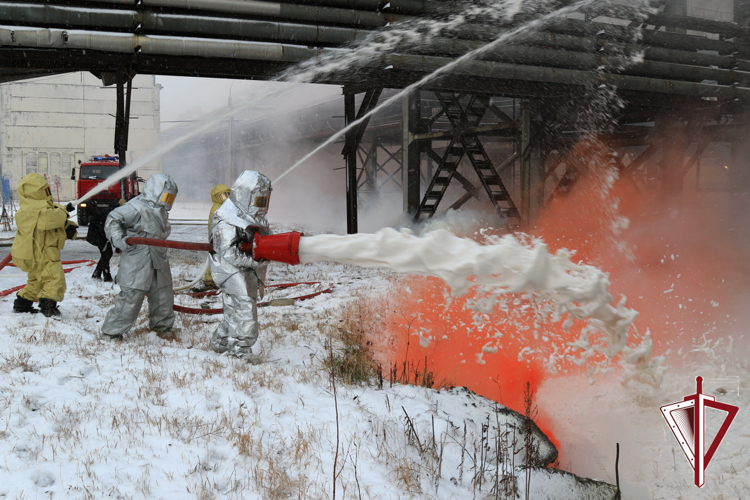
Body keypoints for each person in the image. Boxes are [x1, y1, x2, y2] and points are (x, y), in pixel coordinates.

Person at [100, 174, 178, 341]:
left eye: (171, 197)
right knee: (131, 298)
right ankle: (111, 333)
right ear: (156, 191)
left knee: (163, 296)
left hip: (158, 257)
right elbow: (113, 220)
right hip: (137, 259)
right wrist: (121, 240)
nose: (168, 200)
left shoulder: (160, 210)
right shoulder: (136, 207)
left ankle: (162, 329)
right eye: (166, 195)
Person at [209, 171, 271, 363]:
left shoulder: (256, 217)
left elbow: (262, 246)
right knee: (245, 305)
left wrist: (260, 272)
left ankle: (220, 342)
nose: (260, 206)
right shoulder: (226, 217)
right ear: (246, 195)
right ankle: (241, 349)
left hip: (245, 268)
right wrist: (254, 263)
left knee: (233, 309)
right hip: (228, 269)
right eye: (257, 200)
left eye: (263, 201)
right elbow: (227, 252)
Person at [11, 173, 77, 317]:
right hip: (44, 253)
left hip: (37, 253)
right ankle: (48, 307)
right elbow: (52, 218)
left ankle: (22, 304)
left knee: (36, 280)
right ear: (37, 191)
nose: (48, 192)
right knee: (54, 279)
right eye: (44, 190)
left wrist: (67, 226)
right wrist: (65, 211)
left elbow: (54, 219)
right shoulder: (34, 211)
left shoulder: (39, 209)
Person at [204, 184, 230, 288]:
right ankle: (210, 279)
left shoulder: (225, 208)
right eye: (223, 196)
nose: (226, 198)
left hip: (223, 237)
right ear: (216, 197)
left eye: (228, 195)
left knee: (222, 258)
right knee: (216, 257)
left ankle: (219, 278)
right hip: (217, 237)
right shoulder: (217, 209)